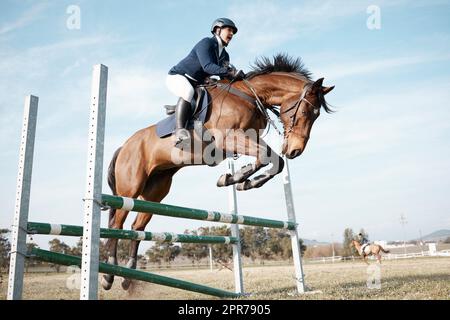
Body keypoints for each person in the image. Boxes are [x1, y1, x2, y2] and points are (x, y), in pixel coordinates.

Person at [166, 18, 245, 146]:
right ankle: (180, 132)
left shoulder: (225, 55)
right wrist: (230, 72)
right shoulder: (206, 43)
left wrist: (237, 78)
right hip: (178, 76)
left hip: (197, 83)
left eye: (233, 32)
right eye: (229, 30)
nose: (231, 34)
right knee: (188, 91)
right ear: (218, 30)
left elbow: (224, 77)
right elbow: (207, 66)